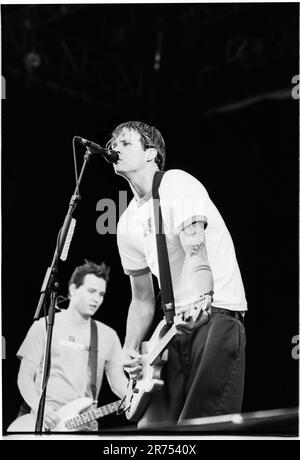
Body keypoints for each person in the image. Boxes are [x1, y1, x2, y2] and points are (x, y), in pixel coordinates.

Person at [108, 120, 247, 427]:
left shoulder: (176, 183)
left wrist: (204, 295)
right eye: (112, 144)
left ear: (150, 154)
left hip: (214, 315)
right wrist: (130, 348)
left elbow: (196, 249)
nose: (114, 148)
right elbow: (142, 298)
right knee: (157, 434)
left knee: (201, 428)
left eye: (124, 143)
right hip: (171, 332)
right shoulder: (127, 221)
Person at [14, 260, 128, 431]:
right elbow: (24, 378)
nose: (96, 299)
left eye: (101, 294)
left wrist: (137, 395)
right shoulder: (45, 326)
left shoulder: (108, 335)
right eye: (91, 291)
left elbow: (118, 382)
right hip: (44, 421)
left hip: (84, 427)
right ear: (73, 289)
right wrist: (41, 408)